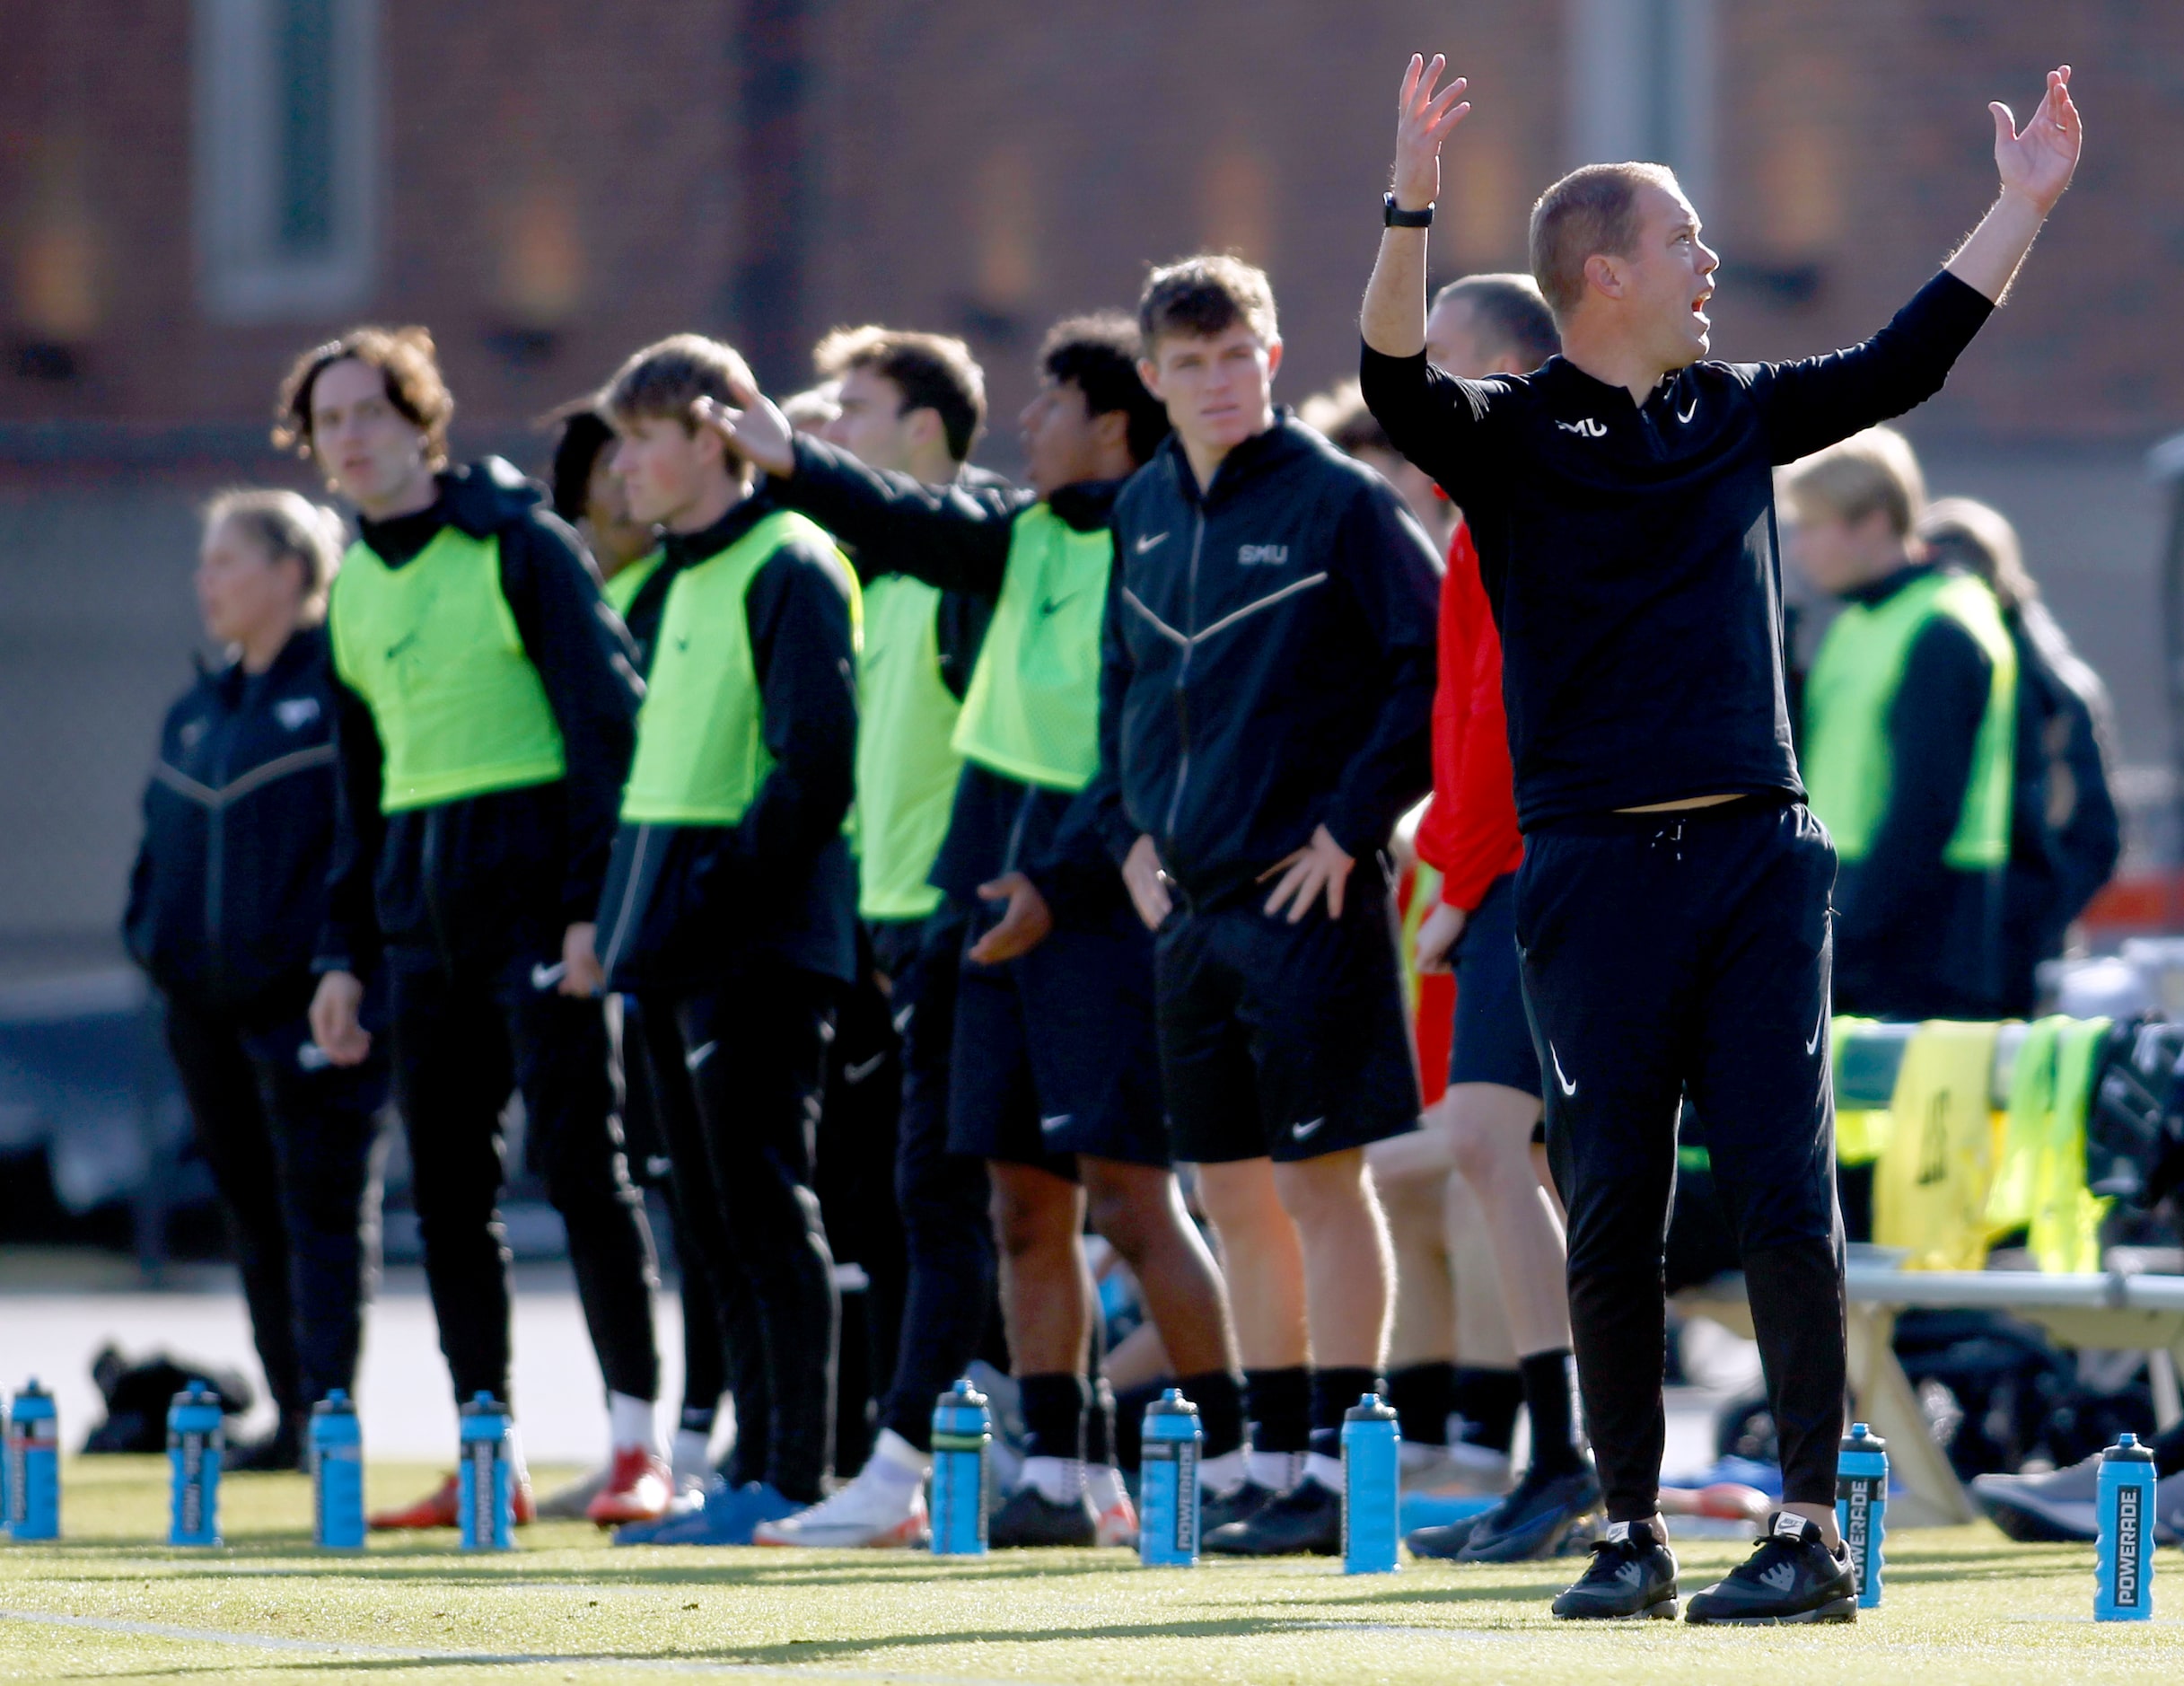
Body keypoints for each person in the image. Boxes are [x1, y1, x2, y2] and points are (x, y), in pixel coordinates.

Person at [1361, 53, 2081, 1620]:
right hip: (1592, 873)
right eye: (1683, 241)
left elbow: (1909, 360)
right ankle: (1627, 1526)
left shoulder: (1730, 412)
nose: (1709, 265)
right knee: (1611, 1195)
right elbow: (1390, 381)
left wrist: (2015, 205)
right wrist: (1411, 192)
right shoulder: (1510, 433)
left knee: (1779, 1192)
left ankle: (1806, 1529)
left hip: (1761, 857)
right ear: (1601, 273)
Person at [700, 313, 1250, 1550]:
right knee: (1014, 1206)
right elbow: (906, 521)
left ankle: (1235, 1458)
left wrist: (1061, 880)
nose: (1026, 422)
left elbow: (1148, 746)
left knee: (1130, 1200)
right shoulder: (1016, 534)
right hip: (983, 904)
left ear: (1110, 423)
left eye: (1048, 404)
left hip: (1092, 909)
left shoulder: (1165, 537)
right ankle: (1063, 1467)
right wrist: (793, 458)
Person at [285, 327, 667, 1530]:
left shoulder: (521, 548)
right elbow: (358, 788)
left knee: (583, 1171)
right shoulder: (347, 587)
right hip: (416, 937)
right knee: (448, 1192)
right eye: (329, 421)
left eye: (369, 412)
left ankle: (631, 1448)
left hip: (539, 923)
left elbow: (609, 731)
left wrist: (587, 907)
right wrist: (342, 954)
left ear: (420, 420)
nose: (350, 437)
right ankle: (483, 1443)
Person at [1097, 256, 1443, 1557]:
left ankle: (1338, 1462)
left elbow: (1427, 670)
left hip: (1307, 900)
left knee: (1320, 1186)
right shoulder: (1136, 509)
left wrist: (1348, 830)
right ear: (1152, 377)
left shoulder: (1341, 504)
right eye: (1190, 362)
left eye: (1237, 353)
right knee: (1230, 1191)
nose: (1218, 380)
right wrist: (1124, 833)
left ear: (1274, 353)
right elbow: (1117, 689)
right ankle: (1260, 1452)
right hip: (1185, 908)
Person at [591, 332, 861, 1545]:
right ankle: (753, 1462)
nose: (625, 465)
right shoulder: (671, 579)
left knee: (762, 1207)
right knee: (705, 1225)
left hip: (751, 953)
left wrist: (699, 906)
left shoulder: (789, 560)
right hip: (667, 956)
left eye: (647, 437)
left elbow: (812, 775)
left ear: (714, 437)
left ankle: (792, 1470)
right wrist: (625, 927)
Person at [747, 327, 1005, 1549]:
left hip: (977, 927)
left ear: (922, 429)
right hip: (885, 931)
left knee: (980, 1202)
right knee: (907, 1204)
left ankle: (963, 1459)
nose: (831, 424)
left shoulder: (977, 561)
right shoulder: (861, 577)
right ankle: (976, 1451)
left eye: (853, 406)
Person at [1392, 273, 1599, 1563]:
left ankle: (1574, 1457)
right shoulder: (1476, 517)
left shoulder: (1521, 510)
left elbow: (1503, 722)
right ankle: (1563, 1456)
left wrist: (1458, 882)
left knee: (1494, 1145)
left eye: (1444, 363)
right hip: (1502, 872)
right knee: (1490, 1148)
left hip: (1537, 872)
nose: (1419, 389)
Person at [125, 490, 386, 1472]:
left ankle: (331, 1422)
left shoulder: (342, 694)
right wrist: (152, 939)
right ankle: (290, 1417)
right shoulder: (198, 710)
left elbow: (361, 846)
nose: (208, 582)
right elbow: (157, 856)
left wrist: (338, 962)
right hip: (206, 1015)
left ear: (290, 571)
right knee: (251, 1212)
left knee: (320, 1211)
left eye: (228, 561)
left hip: (318, 1006)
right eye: (205, 564)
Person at [535, 404, 729, 1514]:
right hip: (592, 933)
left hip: (677, 930)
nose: (627, 475)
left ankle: (695, 1443)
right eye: (606, 458)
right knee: (640, 1182)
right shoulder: (570, 601)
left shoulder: (700, 589)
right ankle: (643, 1442)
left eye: (641, 449)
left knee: (703, 1196)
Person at [1786, 427, 2017, 1021]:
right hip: (1858, 916)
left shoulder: (1943, 626)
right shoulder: (1852, 624)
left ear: (1873, 522)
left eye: (1812, 527)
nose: (1800, 548)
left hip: (1919, 944)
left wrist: (1848, 935)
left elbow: (1925, 809)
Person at [1920, 496, 2120, 1013]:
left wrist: (2029, 917)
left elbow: (2096, 835)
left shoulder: (2054, 691)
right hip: (1934, 940)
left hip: (2020, 952)